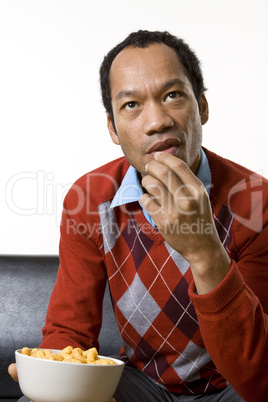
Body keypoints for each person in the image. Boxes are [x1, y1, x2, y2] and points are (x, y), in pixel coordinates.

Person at [9, 30, 268, 401]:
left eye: (173, 95)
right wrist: (54, 373)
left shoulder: (258, 202)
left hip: (234, 386)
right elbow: (70, 331)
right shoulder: (89, 199)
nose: (157, 121)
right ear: (113, 129)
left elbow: (258, 373)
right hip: (143, 386)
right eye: (131, 105)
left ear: (203, 107)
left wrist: (204, 252)